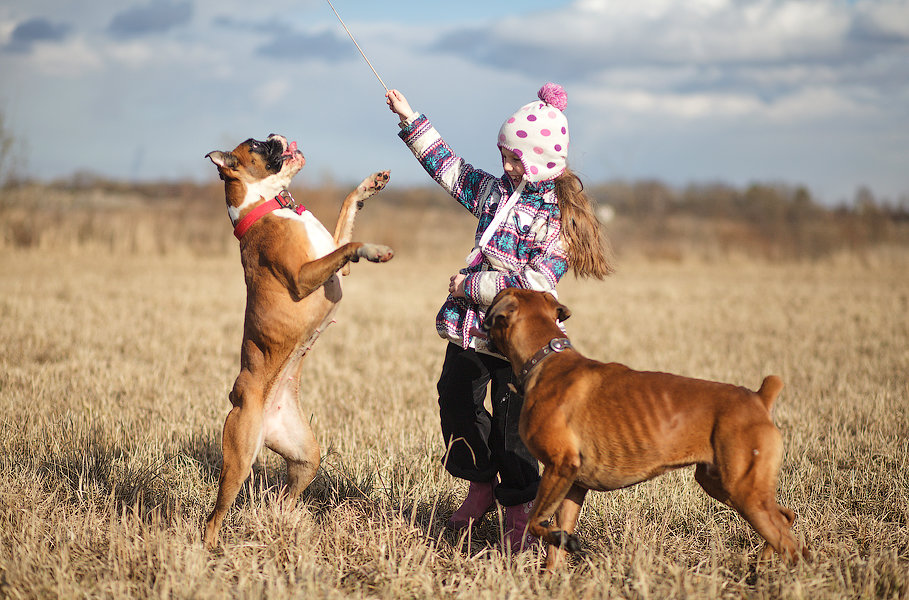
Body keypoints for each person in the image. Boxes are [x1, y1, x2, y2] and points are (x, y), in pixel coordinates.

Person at [386, 83, 613, 551]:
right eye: (504, 155)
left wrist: (469, 286)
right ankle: (480, 483)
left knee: (516, 432)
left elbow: (534, 286)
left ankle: (517, 507)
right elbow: (451, 170)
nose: (506, 166)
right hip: (471, 333)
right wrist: (411, 120)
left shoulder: (558, 223)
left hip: (521, 347)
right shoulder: (494, 192)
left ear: (542, 163)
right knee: (456, 404)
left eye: (515, 159)